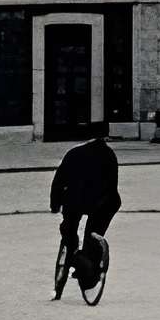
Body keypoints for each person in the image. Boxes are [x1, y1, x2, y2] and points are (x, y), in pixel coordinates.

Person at [49, 121, 120, 289]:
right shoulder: (109, 154)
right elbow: (112, 184)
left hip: (76, 201)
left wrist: (55, 204)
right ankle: (91, 262)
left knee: (69, 231)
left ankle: (73, 254)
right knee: (93, 234)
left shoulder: (74, 154)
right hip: (104, 203)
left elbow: (58, 181)